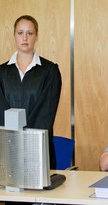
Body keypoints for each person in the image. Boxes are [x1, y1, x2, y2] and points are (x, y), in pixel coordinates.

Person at [0, 15, 62, 170]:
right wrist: (12, 140)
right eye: (20, 33)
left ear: (36, 36)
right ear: (14, 36)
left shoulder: (49, 71)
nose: (25, 37)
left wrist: (26, 143)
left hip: (37, 149)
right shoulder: (1, 72)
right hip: (7, 148)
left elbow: (45, 114)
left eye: (30, 33)